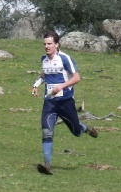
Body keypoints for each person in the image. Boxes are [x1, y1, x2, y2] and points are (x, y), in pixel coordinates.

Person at [31, 30, 98, 175]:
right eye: (45, 44)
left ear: (57, 44)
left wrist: (61, 86)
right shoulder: (44, 59)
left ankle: (84, 128)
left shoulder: (65, 58)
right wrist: (36, 85)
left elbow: (76, 78)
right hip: (50, 102)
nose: (46, 47)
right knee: (47, 132)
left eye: (49, 44)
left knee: (76, 132)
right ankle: (47, 165)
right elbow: (45, 74)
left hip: (65, 102)